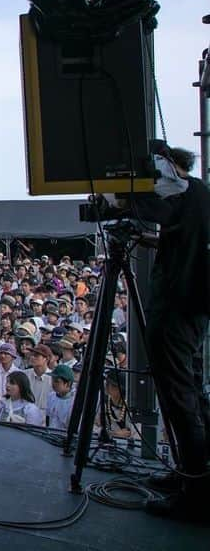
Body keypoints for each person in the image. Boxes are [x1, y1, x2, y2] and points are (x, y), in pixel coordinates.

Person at [115, 143, 210, 519]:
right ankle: (190, 475)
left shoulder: (180, 192)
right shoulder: (200, 191)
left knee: (180, 399)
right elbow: (178, 232)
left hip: (176, 310)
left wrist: (122, 202)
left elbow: (156, 208)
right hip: (193, 310)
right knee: (191, 393)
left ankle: (197, 493)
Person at [45, 363, 75, 431]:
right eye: (52, 380)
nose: (53, 384)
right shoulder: (51, 396)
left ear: (68, 383)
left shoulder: (74, 402)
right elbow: (48, 418)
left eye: (57, 381)